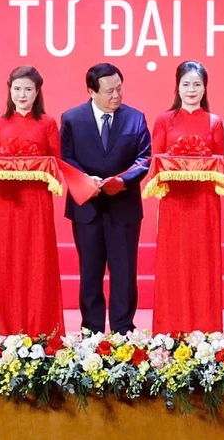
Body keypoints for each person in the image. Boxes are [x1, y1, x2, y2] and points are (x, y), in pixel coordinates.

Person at [61, 63, 152, 334]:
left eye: (119, 88)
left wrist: (121, 181)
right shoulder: (72, 119)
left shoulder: (135, 118)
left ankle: (124, 329)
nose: (116, 95)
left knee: (124, 273)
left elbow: (145, 158)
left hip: (123, 206)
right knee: (90, 272)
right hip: (86, 207)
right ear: (91, 91)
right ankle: (92, 331)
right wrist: (87, 180)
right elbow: (65, 157)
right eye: (109, 91)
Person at [0, 66, 64, 336]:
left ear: (37, 92)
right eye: (17, 89)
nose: (22, 94)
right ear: (9, 90)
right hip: (7, 202)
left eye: (28, 89)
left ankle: (40, 328)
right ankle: (5, 330)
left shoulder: (48, 123)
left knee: (37, 263)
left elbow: (56, 163)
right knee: (7, 261)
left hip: (37, 202)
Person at [151, 61, 224, 334]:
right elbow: (155, 162)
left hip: (205, 203)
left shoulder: (215, 122)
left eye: (197, 84)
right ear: (178, 87)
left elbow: (221, 164)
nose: (191, 90)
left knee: (203, 263)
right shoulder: (164, 120)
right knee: (175, 264)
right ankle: (171, 328)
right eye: (186, 84)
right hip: (174, 203)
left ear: (205, 87)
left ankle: (206, 329)